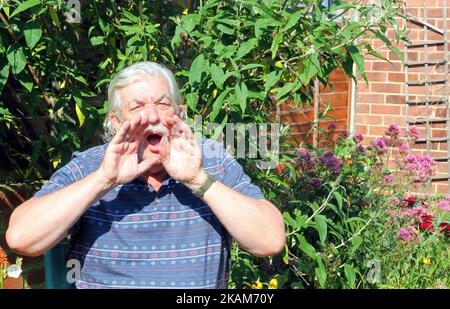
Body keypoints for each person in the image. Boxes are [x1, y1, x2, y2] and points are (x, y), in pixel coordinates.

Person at [6, 62, 285, 289]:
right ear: (116, 122)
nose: (151, 116)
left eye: (163, 104)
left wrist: (198, 180)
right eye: (137, 107)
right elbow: (22, 238)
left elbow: (269, 241)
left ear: (180, 113)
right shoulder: (93, 166)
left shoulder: (212, 161)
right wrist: (104, 180)